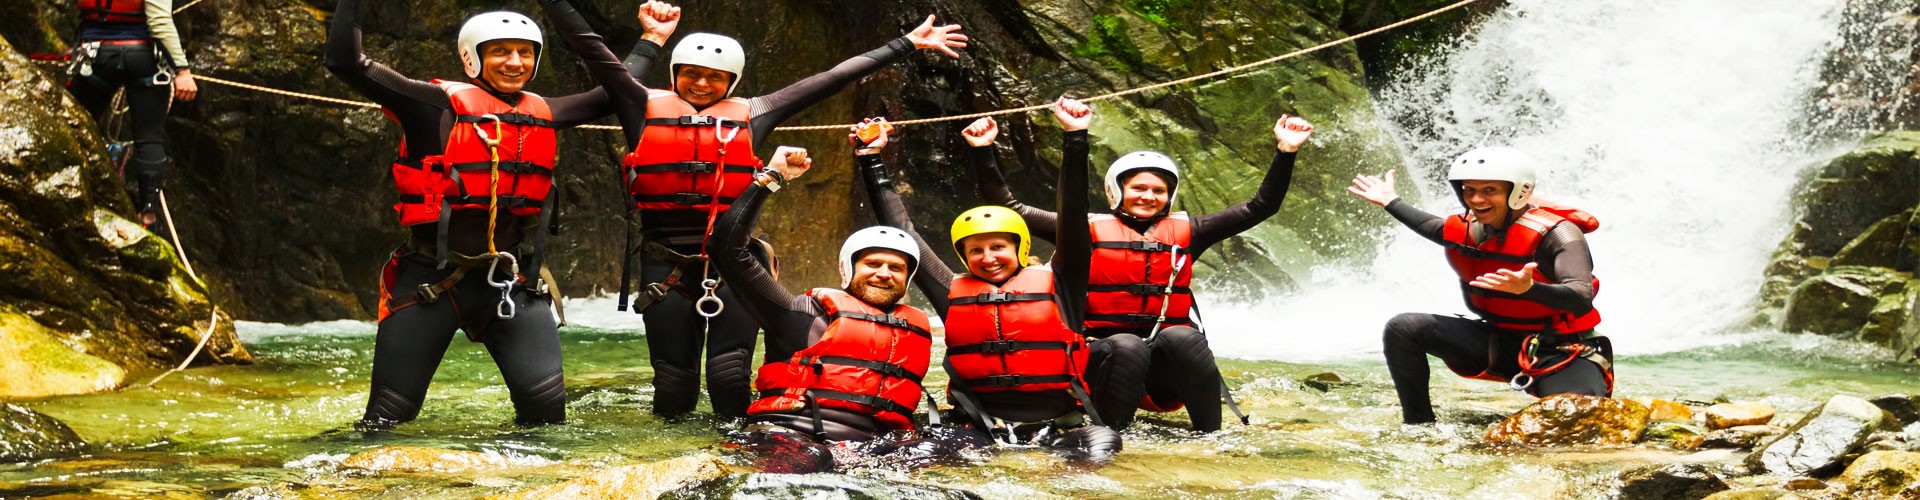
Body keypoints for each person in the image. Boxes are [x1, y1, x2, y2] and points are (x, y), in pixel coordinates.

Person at [537, 0, 968, 419]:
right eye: (692, 75)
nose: (702, 84)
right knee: (673, 382)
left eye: (715, 78)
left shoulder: (756, 111)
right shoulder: (639, 104)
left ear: (732, 81)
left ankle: (737, 459)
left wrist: (907, 43)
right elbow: (589, 46)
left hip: (737, 266)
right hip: (664, 263)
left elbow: (832, 78)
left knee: (729, 377)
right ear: (675, 74)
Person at [325, 0, 616, 429]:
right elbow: (346, 62)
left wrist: (651, 39)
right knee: (387, 418)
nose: (515, 62)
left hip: (510, 282)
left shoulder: (546, 112)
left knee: (548, 415)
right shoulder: (430, 104)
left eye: (526, 52)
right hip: (429, 281)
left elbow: (618, 89)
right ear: (471, 56)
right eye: (500, 51)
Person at [965, 112, 1315, 432]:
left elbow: (1260, 207)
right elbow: (1009, 208)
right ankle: (1110, 435)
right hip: (1098, 361)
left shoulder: (1190, 231)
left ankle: (1212, 434)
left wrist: (1286, 151)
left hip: (1160, 371)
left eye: (1158, 191)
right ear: (1117, 190)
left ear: (1169, 196)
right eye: (1139, 188)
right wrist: (982, 152)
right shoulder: (1080, 231)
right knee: (1128, 345)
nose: (1148, 196)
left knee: (1184, 337)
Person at [703, 136, 986, 472]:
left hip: (871, 450)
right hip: (789, 438)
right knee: (814, 459)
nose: (884, 273)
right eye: (872, 264)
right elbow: (726, 248)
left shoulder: (915, 326)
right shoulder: (801, 314)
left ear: (908, 279)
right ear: (848, 269)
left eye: (896, 268)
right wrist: (770, 178)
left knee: (967, 442)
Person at [863, 99, 1121, 463]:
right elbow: (902, 230)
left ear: (1020, 246)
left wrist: (1075, 137)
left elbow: (1073, 216)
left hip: (1062, 429)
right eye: (975, 251)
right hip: (978, 429)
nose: (987, 257)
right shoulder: (950, 289)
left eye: (997, 246)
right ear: (963, 257)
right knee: (913, 459)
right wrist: (870, 157)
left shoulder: (1062, 280)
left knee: (1101, 454)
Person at [1347, 147, 1611, 425]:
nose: (1476, 199)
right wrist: (1391, 201)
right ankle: (1419, 426)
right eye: (1468, 190)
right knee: (1404, 328)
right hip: (1496, 343)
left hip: (1560, 350)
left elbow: (1581, 295)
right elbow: (1431, 227)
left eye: (1489, 190)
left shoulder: (1560, 233)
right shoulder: (1468, 228)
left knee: (1580, 422)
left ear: (1519, 192)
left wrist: (1530, 290)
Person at [67, 0, 201, 234]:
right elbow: (159, 21)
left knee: (78, 122)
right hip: (143, 59)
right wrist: (182, 70)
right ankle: (147, 215)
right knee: (149, 137)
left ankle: (81, 188)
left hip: (97, 57)